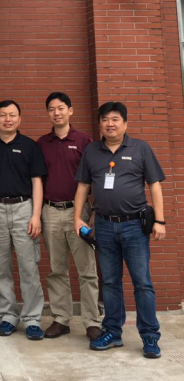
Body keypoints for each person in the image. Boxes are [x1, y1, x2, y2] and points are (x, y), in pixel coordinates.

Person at [74, 101, 166, 359]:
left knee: (142, 282)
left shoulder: (140, 148)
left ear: (125, 123)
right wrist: (77, 218)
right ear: (100, 124)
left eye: (115, 119)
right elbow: (83, 186)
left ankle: (150, 336)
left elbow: (155, 185)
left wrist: (160, 221)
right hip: (103, 225)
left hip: (134, 226)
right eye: (105, 119)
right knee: (111, 282)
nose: (110, 124)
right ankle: (113, 332)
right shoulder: (92, 151)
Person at [37, 92, 101, 341]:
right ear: (48, 113)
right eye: (52, 109)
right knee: (56, 269)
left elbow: (94, 178)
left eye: (61, 108)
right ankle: (61, 319)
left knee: (87, 270)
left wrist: (93, 212)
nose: (57, 113)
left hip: (79, 212)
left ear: (70, 110)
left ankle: (92, 321)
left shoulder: (85, 141)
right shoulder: (42, 143)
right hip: (50, 211)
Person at [0, 100, 47, 341]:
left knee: (29, 267)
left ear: (19, 119)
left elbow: (37, 182)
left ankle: (32, 319)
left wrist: (36, 215)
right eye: (3, 115)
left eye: (12, 115)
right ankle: (8, 316)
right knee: (0, 268)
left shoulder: (30, 146)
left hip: (24, 209)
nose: (7, 119)